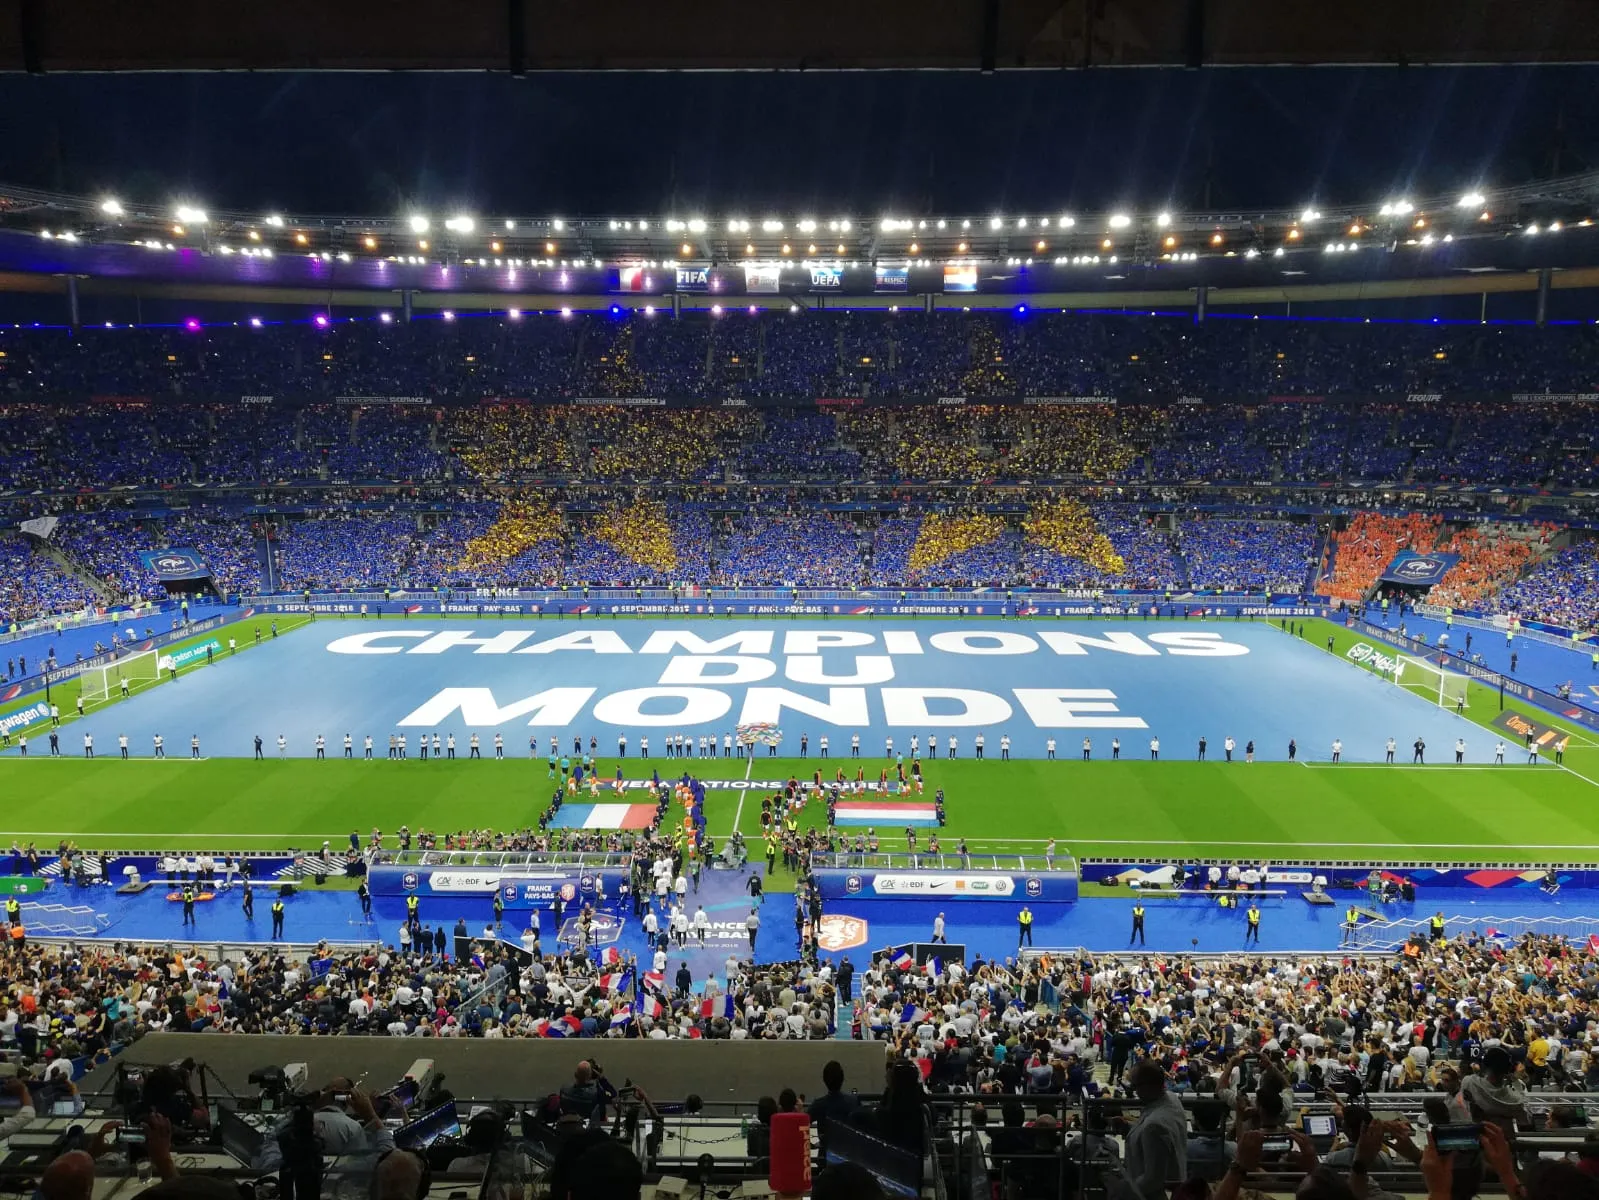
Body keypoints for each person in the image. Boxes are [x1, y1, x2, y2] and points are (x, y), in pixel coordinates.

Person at [1120, 1060, 1188, 1200]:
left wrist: (1123, 1192)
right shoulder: (1171, 1099)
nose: (1135, 1092)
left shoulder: (1154, 1126)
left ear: (1148, 1086)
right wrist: (1128, 1128)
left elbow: (1152, 1180)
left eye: (1135, 1086)